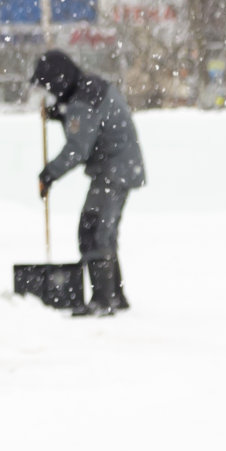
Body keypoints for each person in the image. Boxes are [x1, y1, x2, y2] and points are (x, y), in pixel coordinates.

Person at [32, 49, 146, 317]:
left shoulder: (83, 100)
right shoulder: (89, 88)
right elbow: (89, 124)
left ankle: (103, 300)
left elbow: (78, 148)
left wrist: (49, 174)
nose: (49, 93)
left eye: (48, 86)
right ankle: (114, 295)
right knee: (102, 231)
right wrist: (61, 115)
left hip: (113, 171)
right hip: (120, 168)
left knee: (93, 229)